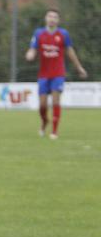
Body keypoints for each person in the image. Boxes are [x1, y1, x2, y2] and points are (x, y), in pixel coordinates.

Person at [25, 8, 87, 139]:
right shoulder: (38, 33)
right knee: (42, 105)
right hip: (43, 74)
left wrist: (79, 67)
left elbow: (70, 51)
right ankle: (44, 121)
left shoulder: (63, 34)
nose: (52, 19)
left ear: (58, 20)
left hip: (58, 73)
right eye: (50, 16)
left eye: (55, 17)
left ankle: (54, 131)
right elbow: (33, 49)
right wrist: (30, 54)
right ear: (46, 18)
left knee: (55, 101)